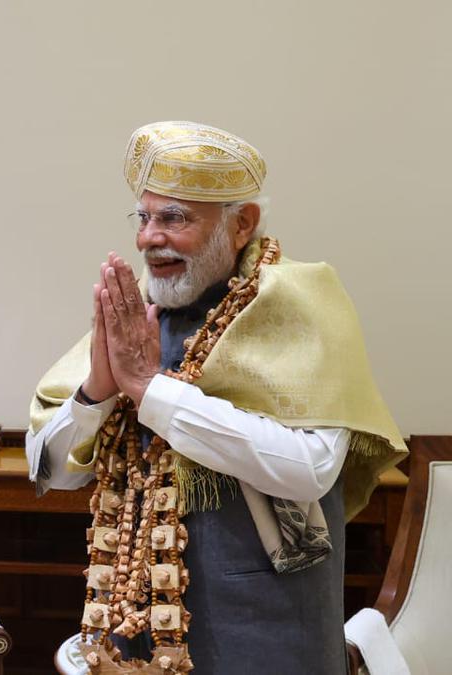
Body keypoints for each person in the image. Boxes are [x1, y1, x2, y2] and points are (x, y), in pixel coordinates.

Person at [26, 121, 406, 673]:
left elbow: (309, 469)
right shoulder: (140, 317)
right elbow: (54, 472)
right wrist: (98, 393)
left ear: (241, 225)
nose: (148, 238)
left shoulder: (302, 300)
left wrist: (149, 391)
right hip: (138, 634)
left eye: (174, 218)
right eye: (144, 217)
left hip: (267, 631)